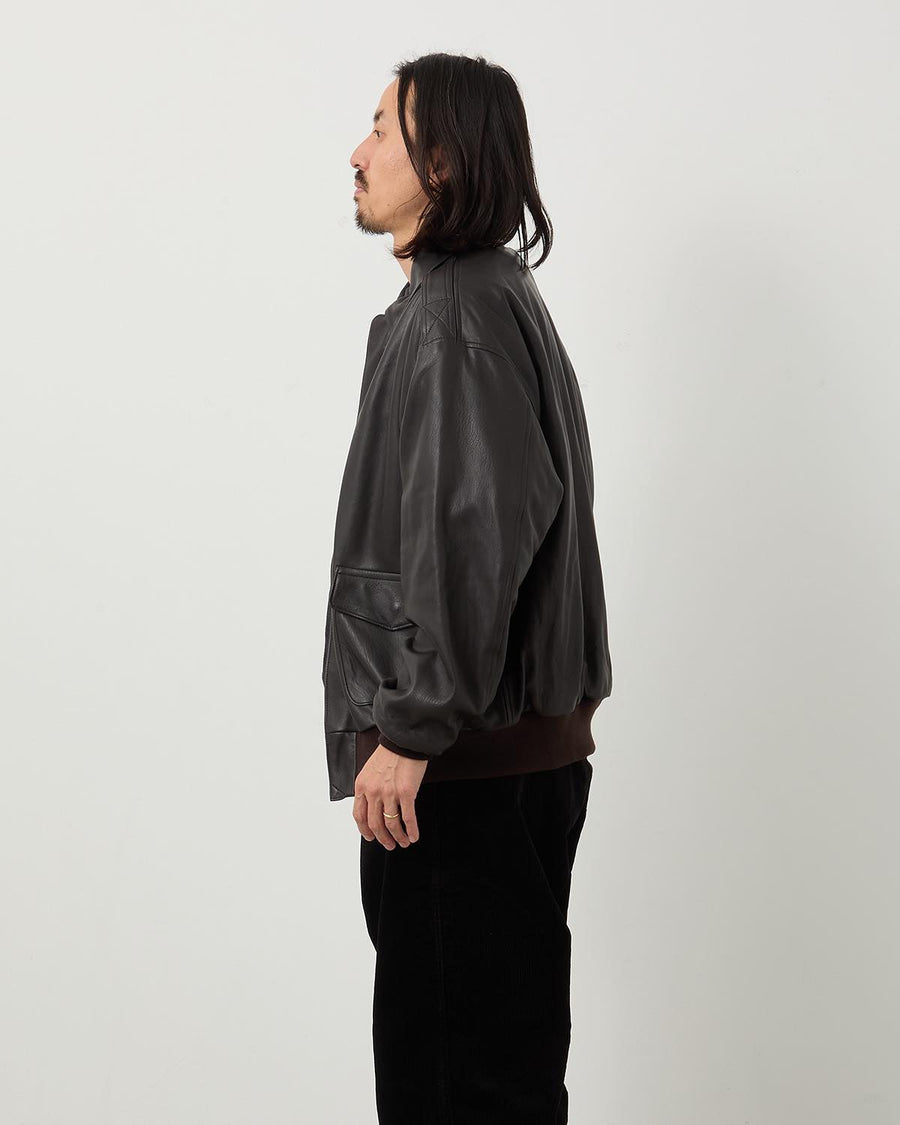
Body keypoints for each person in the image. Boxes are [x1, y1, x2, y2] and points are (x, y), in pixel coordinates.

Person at [323, 50, 613, 1125]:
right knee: (495, 1076)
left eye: (382, 131)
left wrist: (412, 728)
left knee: (456, 1092)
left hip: (458, 773)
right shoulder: (488, 298)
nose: (358, 153)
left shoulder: (457, 317)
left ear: (441, 164)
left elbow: (473, 537)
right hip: (494, 764)